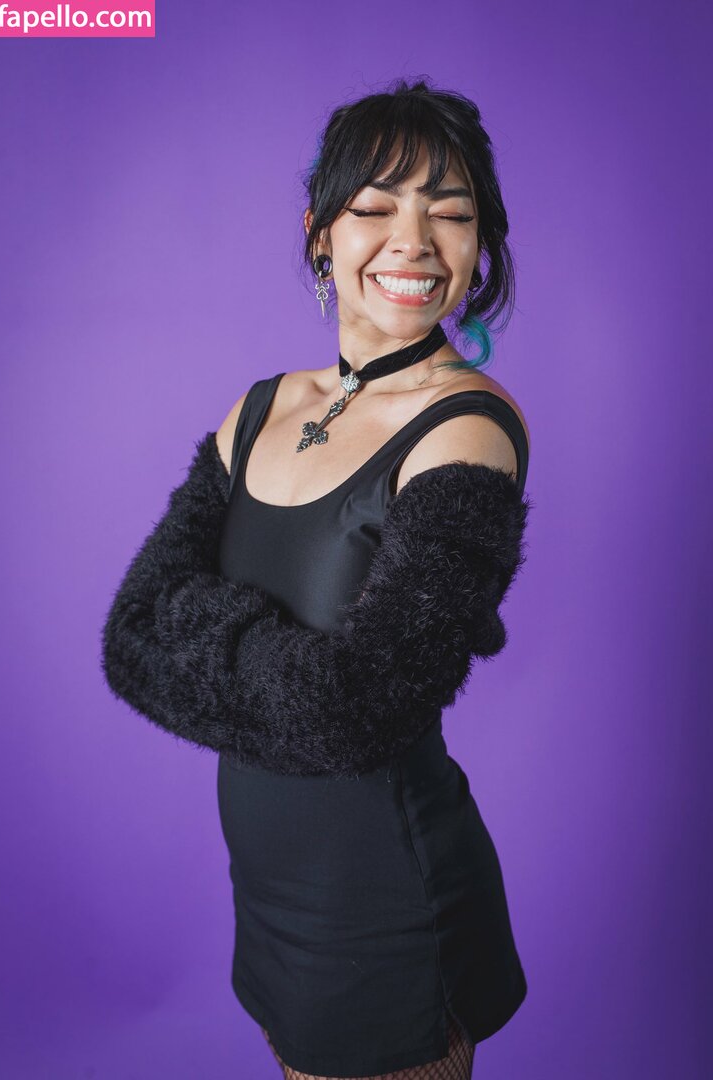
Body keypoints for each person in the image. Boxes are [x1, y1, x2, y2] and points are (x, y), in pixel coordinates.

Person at [101, 77, 532, 1080]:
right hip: (269, 901)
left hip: (389, 914)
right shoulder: (259, 408)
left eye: (450, 213)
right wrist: (293, 670)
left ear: (480, 244)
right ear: (319, 234)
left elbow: (360, 710)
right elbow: (129, 638)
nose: (413, 242)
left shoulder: (470, 429)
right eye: (375, 207)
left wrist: (206, 629)